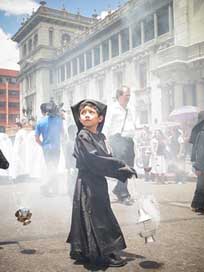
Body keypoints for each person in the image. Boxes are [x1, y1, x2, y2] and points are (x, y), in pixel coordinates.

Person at [67, 99, 137, 267]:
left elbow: (108, 155)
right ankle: (105, 253)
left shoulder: (101, 136)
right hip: (87, 183)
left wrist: (122, 166)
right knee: (98, 217)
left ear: (100, 118)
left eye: (91, 112)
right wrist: (120, 168)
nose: (86, 115)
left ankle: (84, 250)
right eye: (83, 113)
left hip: (97, 182)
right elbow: (95, 159)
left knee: (90, 215)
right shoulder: (83, 135)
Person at [105, 85, 135, 205]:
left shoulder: (130, 109)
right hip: (117, 139)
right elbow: (106, 125)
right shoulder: (113, 109)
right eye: (126, 95)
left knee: (130, 167)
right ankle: (124, 194)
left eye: (129, 95)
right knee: (123, 166)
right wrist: (105, 140)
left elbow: (132, 124)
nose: (129, 97)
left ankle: (118, 189)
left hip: (129, 140)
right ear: (119, 96)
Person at [35, 102, 63, 196]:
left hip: (46, 149)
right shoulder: (58, 120)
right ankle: (46, 186)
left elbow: (37, 139)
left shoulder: (40, 122)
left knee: (50, 168)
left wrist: (43, 145)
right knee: (54, 168)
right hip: (56, 147)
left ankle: (54, 189)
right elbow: (62, 133)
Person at [189, 111, 204, 213]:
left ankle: (197, 206)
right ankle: (199, 206)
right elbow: (200, 152)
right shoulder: (202, 134)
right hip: (202, 165)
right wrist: (198, 167)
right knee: (201, 185)